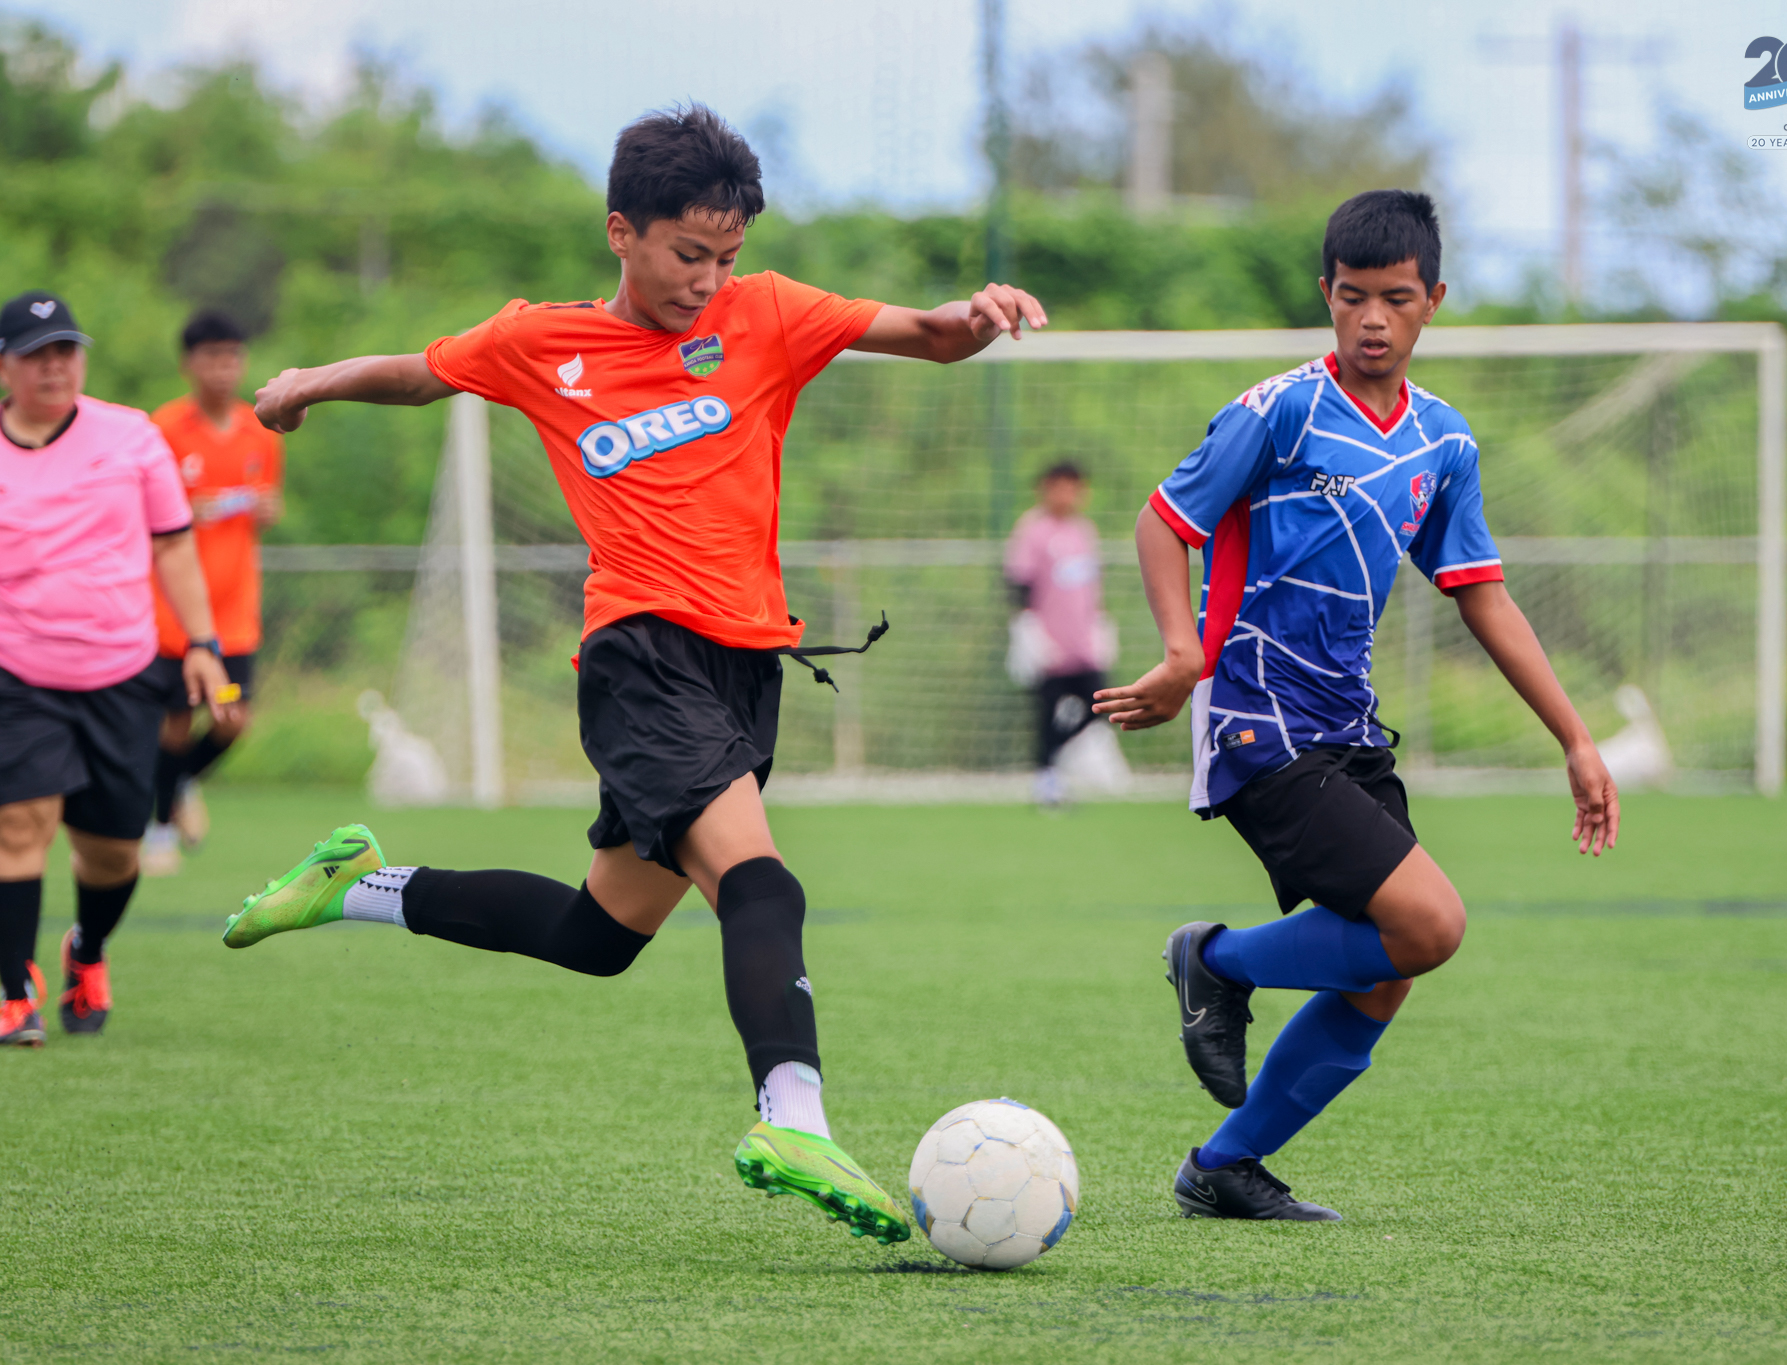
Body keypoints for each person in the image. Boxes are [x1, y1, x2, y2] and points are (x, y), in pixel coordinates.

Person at [225, 105, 1047, 1245]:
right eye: (686, 254)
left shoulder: (766, 312)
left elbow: (931, 335)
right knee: (761, 885)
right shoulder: (540, 342)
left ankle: (354, 884)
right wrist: (309, 380)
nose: (708, 280)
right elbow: (419, 375)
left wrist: (979, 313)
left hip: (745, 665)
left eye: (726, 257)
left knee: (599, 935)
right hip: (640, 655)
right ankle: (794, 1118)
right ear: (622, 232)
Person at [1094, 191, 1619, 1221]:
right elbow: (1163, 522)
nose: (1372, 319)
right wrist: (1180, 656)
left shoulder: (1443, 443)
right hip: (1256, 713)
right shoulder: (1278, 410)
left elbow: (1481, 593)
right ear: (1326, 295)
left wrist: (1575, 737)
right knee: (1430, 923)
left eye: (1395, 299)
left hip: (1346, 724)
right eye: (1351, 297)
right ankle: (1215, 961)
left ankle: (1223, 1166)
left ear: (1433, 300)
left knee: (1386, 970)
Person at [0, 291, 233, 1046]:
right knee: (19, 824)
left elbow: (173, 543)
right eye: (36, 355)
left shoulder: (132, 437)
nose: (54, 367)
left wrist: (203, 644)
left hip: (122, 671)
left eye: (65, 351)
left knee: (111, 852)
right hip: (17, 672)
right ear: (5, 366)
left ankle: (88, 949)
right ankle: (14, 994)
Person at [140, 310, 285, 876]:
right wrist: (185, 512)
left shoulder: (259, 429)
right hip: (177, 615)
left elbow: (266, 505)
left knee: (231, 718)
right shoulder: (165, 429)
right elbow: (145, 516)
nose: (223, 368)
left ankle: (176, 784)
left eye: (232, 356)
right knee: (176, 723)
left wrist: (266, 511)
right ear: (189, 363)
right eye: (212, 357)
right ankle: (158, 831)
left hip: (233, 615)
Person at [1003, 461, 1114, 806]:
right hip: (1049, 646)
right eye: (1059, 486)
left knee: (1101, 704)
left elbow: (1092, 588)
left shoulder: (1084, 531)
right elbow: (1018, 582)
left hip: (1083, 644)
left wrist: (1101, 626)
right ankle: (1046, 778)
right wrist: (1028, 630)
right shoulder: (1033, 530)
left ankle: (1063, 756)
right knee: (1047, 713)